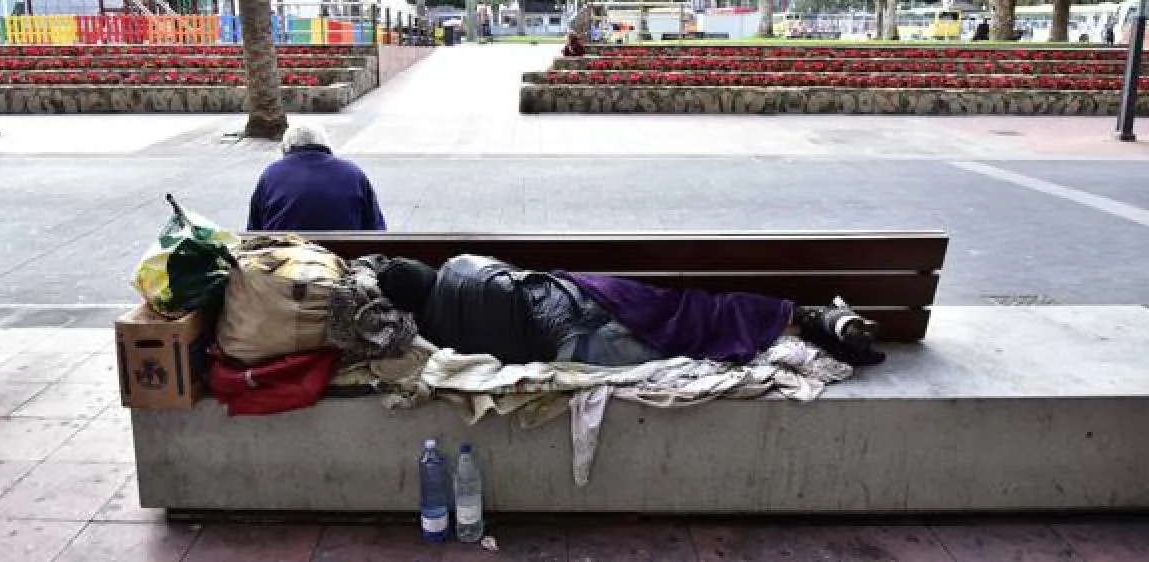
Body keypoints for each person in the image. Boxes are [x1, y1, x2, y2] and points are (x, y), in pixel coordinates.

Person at [375, 254, 883, 368]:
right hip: (590, 296)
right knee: (697, 311)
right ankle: (811, 318)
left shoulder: (437, 332)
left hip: (580, 346)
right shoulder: (462, 265)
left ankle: (810, 328)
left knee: (697, 345)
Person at [247, 125, 386, 232]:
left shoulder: (271, 174)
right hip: (343, 261)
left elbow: (254, 229)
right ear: (326, 145)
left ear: (287, 148)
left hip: (286, 262)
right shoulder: (354, 173)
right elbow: (377, 228)